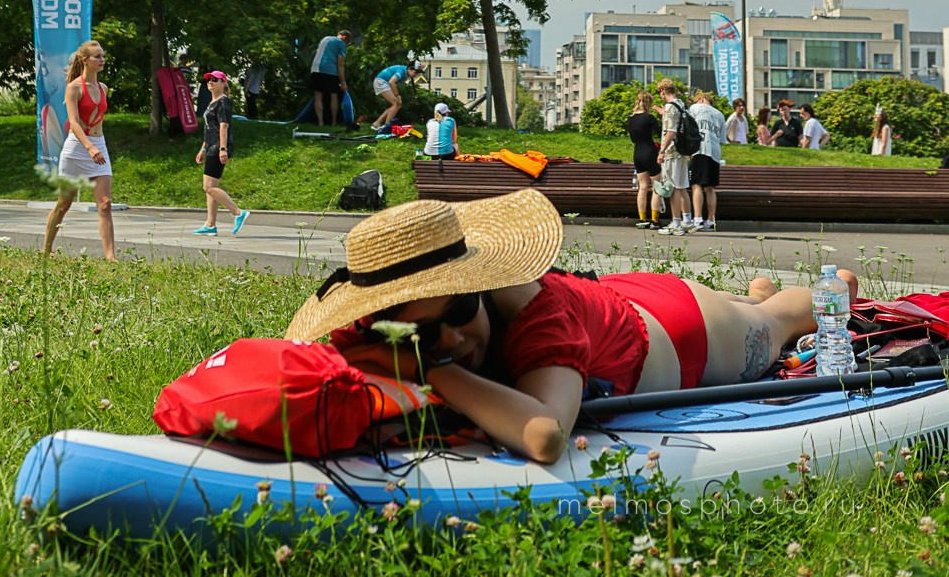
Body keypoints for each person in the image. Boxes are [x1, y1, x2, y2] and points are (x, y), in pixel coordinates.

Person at [286, 192, 858, 465]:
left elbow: (544, 437)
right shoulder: (369, 327)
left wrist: (428, 363)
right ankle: (753, 290)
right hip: (609, 305)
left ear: (480, 286)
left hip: (682, 333)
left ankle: (833, 289)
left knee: (774, 323)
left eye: (460, 315)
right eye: (424, 335)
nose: (457, 341)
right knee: (752, 305)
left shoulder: (537, 314)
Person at [43, 40, 116, 262]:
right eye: (97, 57)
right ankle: (46, 251)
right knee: (64, 203)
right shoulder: (74, 87)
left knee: (105, 204)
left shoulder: (102, 88)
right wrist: (89, 146)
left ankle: (111, 257)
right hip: (77, 148)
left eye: (103, 56)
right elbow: (73, 123)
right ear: (85, 60)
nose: (102, 60)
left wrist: (96, 145)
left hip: (99, 144)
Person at [194, 72, 249, 236]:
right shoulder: (212, 102)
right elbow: (209, 129)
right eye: (208, 80)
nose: (210, 82)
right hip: (211, 147)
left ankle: (238, 213)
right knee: (211, 188)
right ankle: (210, 225)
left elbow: (223, 126)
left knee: (208, 187)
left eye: (214, 80)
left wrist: (223, 149)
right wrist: (203, 148)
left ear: (223, 83)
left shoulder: (223, 101)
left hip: (218, 147)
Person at [655, 80, 693, 234]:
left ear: (663, 90)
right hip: (683, 152)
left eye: (660, 92)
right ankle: (687, 220)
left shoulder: (670, 107)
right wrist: (663, 113)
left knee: (673, 188)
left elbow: (671, 131)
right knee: (682, 187)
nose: (660, 96)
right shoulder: (680, 104)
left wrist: (662, 150)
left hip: (672, 152)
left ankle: (676, 223)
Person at [690, 91, 727, 232]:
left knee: (696, 184)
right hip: (715, 152)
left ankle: (698, 218)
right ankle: (711, 220)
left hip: (699, 149)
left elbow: (688, 128)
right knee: (710, 187)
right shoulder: (719, 114)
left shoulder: (695, 108)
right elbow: (722, 139)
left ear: (699, 99)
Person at [626, 89, 662, 229]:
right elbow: (661, 132)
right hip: (650, 152)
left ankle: (642, 219)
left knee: (642, 187)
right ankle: (654, 220)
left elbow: (633, 138)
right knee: (656, 188)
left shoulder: (630, 118)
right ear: (648, 103)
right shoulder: (649, 118)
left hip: (637, 154)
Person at [310, 30, 350, 126]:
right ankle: (333, 122)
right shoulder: (342, 44)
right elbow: (339, 64)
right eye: (348, 42)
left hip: (315, 69)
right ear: (345, 37)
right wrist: (343, 82)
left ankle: (320, 123)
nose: (347, 44)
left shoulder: (325, 38)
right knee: (334, 95)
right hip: (330, 70)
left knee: (318, 96)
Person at [372, 60, 423, 131]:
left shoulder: (406, 72)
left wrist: (395, 96)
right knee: (396, 104)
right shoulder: (401, 72)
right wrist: (397, 96)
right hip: (381, 82)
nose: (416, 74)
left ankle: (377, 123)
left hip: (384, 82)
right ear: (409, 69)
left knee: (397, 104)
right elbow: (391, 82)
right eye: (415, 72)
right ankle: (387, 127)